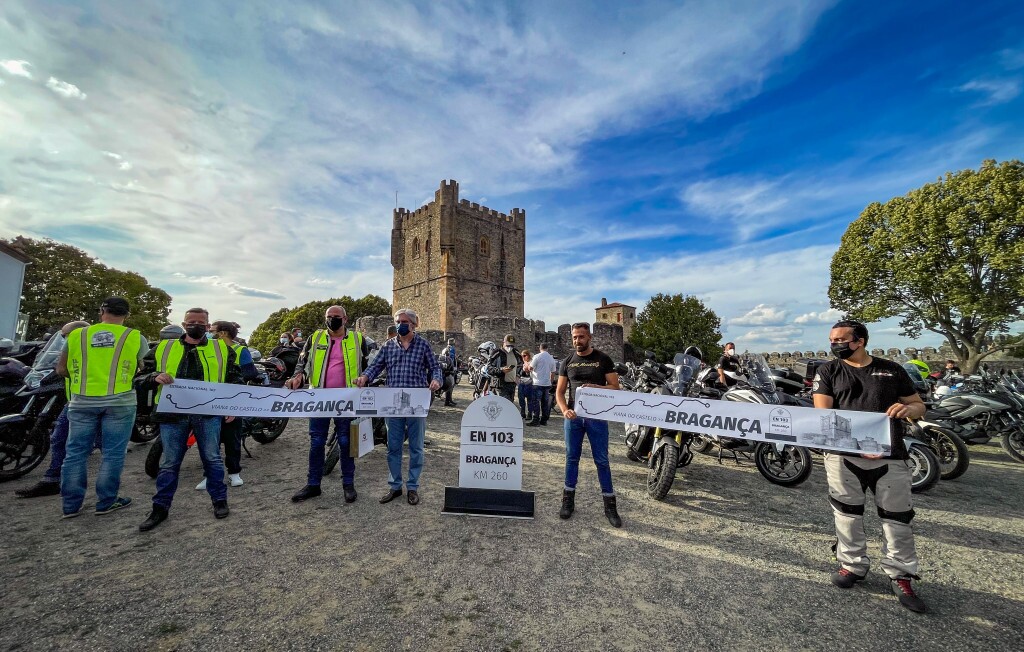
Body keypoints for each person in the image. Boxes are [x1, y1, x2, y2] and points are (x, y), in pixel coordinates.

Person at [812, 319, 928, 613]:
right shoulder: (828, 371)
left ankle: (901, 575)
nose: (834, 345)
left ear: (859, 340)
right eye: (831, 340)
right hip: (844, 455)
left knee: (897, 518)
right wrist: (859, 442)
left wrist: (907, 409)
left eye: (840, 339)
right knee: (846, 513)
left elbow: (917, 405)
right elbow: (823, 413)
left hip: (889, 455)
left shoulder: (892, 370)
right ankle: (852, 565)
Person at [137, 307, 241, 532]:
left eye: (201, 322)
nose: (196, 325)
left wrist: (232, 405)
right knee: (169, 463)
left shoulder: (221, 348)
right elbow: (140, 377)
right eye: (191, 321)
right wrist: (154, 377)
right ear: (184, 324)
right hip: (173, 415)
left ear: (207, 325)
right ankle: (160, 508)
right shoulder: (164, 348)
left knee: (212, 459)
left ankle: (219, 501)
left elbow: (234, 377)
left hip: (208, 414)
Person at [57, 298, 148, 518]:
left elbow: (61, 369)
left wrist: (83, 379)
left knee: (76, 453)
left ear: (102, 311)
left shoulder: (77, 335)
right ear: (126, 315)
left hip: (82, 400)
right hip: (120, 401)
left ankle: (70, 506)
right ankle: (106, 501)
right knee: (113, 453)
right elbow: (141, 366)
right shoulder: (134, 336)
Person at [355, 308, 441, 506]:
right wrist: (365, 377)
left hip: (416, 404)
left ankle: (412, 487)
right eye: (397, 320)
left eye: (403, 321)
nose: (399, 324)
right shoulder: (388, 346)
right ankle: (394, 486)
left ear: (413, 324)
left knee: (416, 447)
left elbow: (435, 367)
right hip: (392, 405)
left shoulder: (423, 345)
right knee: (393, 446)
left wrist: (436, 379)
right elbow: (375, 366)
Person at [287, 305, 370, 504]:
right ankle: (313, 484)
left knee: (345, 442)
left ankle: (348, 484)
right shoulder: (314, 338)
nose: (332, 319)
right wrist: (297, 377)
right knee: (316, 442)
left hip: (347, 399)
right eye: (329, 316)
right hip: (319, 398)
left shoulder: (358, 339)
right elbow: (303, 362)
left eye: (336, 317)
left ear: (345, 319)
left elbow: (367, 366)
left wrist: (366, 379)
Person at [555, 322, 622, 528]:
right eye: (574, 337)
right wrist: (565, 409)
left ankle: (610, 506)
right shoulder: (567, 361)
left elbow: (615, 388)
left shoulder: (603, 359)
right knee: (571, 458)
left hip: (597, 417)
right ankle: (568, 501)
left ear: (589, 337)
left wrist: (597, 387)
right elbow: (559, 392)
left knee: (601, 460)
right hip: (574, 417)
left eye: (581, 337)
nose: (577, 341)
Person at [15, 321, 90, 499]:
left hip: (89, 402)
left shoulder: (88, 349)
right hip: (73, 400)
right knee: (58, 438)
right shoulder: (68, 347)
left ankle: (91, 493)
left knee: (103, 447)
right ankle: (52, 480)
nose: (64, 340)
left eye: (66, 337)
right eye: (62, 337)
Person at [195, 321, 259, 490]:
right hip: (210, 400)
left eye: (213, 331)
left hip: (232, 399)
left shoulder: (240, 350)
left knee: (232, 439)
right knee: (209, 441)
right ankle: (209, 475)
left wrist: (232, 374)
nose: (209, 333)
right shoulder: (207, 348)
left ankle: (234, 473)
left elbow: (251, 373)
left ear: (223, 333)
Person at [527, 343, 556, 426]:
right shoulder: (551, 358)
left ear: (540, 348)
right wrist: (550, 381)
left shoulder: (537, 356)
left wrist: (528, 366)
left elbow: (530, 368)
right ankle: (544, 420)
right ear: (547, 348)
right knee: (545, 403)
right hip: (547, 383)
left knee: (536, 402)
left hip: (537, 382)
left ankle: (535, 420)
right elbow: (553, 372)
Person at [496, 334, 522, 402]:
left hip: (512, 385)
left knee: (510, 404)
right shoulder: (497, 353)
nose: (510, 347)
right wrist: (501, 370)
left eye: (512, 345)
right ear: (503, 342)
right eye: (508, 345)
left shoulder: (516, 353)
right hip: (501, 385)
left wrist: (518, 375)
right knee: (504, 405)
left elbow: (520, 365)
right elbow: (489, 368)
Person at [518, 349, 535, 421]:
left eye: (524, 356)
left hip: (530, 382)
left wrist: (529, 370)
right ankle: (522, 412)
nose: (523, 357)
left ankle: (529, 413)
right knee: (521, 398)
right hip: (521, 381)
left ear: (528, 355)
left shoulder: (532, 362)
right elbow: (518, 371)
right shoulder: (521, 362)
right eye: (522, 356)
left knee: (530, 399)